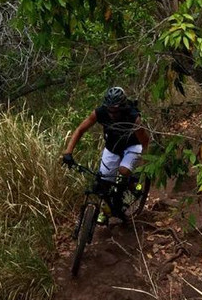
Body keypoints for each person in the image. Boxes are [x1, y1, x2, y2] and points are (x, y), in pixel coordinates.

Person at [61, 86, 150, 221]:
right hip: (112, 148)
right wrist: (68, 152)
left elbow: (145, 141)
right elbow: (80, 130)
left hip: (132, 145)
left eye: (115, 111)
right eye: (110, 110)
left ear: (122, 107)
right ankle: (107, 210)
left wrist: (145, 165)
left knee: (124, 171)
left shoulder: (133, 117)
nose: (112, 114)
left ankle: (133, 186)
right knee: (103, 183)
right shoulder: (100, 113)